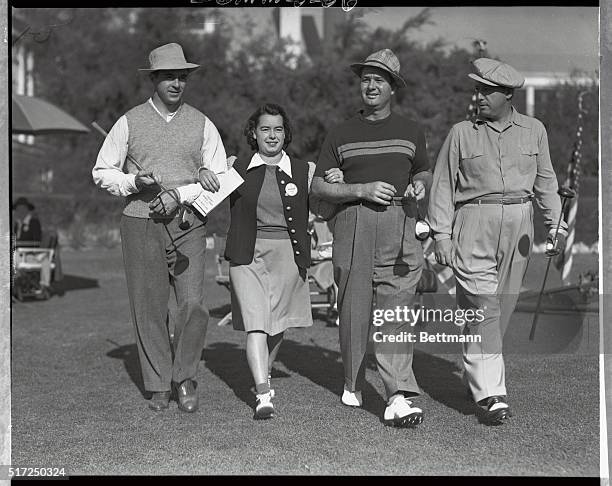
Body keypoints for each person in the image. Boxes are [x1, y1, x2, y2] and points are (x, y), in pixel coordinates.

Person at [427, 58, 567, 425]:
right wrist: (441, 234)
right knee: (485, 309)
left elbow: (546, 182)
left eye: (486, 90)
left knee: (494, 313)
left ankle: (479, 373)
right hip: (473, 222)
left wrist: (556, 226)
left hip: (521, 229)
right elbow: (442, 185)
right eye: (477, 89)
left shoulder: (535, 130)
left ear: (507, 94)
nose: (479, 96)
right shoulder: (461, 132)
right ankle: (492, 395)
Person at [92, 43, 228, 413]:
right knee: (149, 308)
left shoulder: (202, 123)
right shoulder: (129, 121)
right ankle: (157, 384)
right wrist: (134, 182)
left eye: (182, 76)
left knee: (194, 305)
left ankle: (184, 377)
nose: (176, 82)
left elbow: (219, 177)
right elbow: (102, 171)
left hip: (189, 224)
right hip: (140, 223)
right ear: (154, 79)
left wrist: (188, 188)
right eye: (169, 76)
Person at [311, 49, 432, 428]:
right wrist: (360, 188)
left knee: (396, 312)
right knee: (354, 311)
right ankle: (352, 379)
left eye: (379, 79)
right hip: (352, 225)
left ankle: (398, 394)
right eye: (366, 78)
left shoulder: (412, 131)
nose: (371, 85)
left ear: (393, 87)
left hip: (400, 226)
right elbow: (318, 187)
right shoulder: (341, 133)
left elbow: (423, 173)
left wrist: (418, 186)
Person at [225, 103, 340, 419]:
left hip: (289, 256)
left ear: (286, 133)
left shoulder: (306, 170)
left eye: (277, 129)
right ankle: (263, 395)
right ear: (254, 133)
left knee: (276, 325)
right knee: (256, 324)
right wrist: (208, 171)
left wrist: (335, 180)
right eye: (265, 129)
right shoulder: (235, 168)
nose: (271, 135)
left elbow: (325, 207)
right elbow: (204, 197)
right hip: (246, 255)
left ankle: (265, 373)